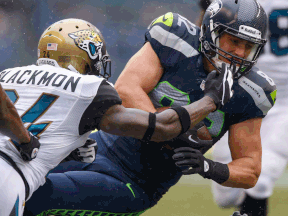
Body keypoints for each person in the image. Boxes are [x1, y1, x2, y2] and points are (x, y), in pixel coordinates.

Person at [23, 0, 275, 215]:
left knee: (35, 197)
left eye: (249, 46)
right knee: (14, 178)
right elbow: (126, 89)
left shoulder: (251, 91)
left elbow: (250, 168)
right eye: (233, 41)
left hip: (133, 182)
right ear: (211, 32)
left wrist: (209, 167)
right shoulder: (176, 39)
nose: (239, 53)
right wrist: (171, 131)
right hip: (96, 147)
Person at [195, 0, 288, 215]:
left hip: (285, 101)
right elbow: (206, 27)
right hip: (244, 94)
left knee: (262, 179)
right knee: (226, 193)